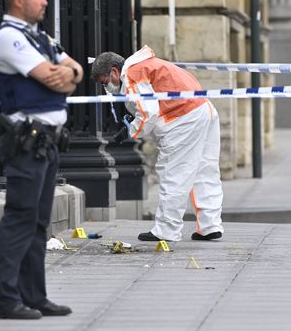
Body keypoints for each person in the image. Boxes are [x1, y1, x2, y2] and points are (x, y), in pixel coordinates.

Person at [0, 0, 82, 319]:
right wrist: (65, 77)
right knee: (20, 218)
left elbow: (74, 72)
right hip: (28, 142)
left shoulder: (40, 37)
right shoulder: (9, 38)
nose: (45, 2)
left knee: (39, 221)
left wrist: (70, 74)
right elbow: (50, 77)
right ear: (19, 0)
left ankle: (33, 296)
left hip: (48, 143)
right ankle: (4, 299)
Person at [90, 46, 224, 242]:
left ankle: (167, 230)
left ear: (114, 71)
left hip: (182, 119)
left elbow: (148, 112)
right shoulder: (147, 65)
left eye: (105, 82)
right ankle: (210, 225)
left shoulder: (133, 73)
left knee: (174, 172)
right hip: (203, 109)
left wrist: (131, 129)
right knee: (205, 170)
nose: (107, 87)